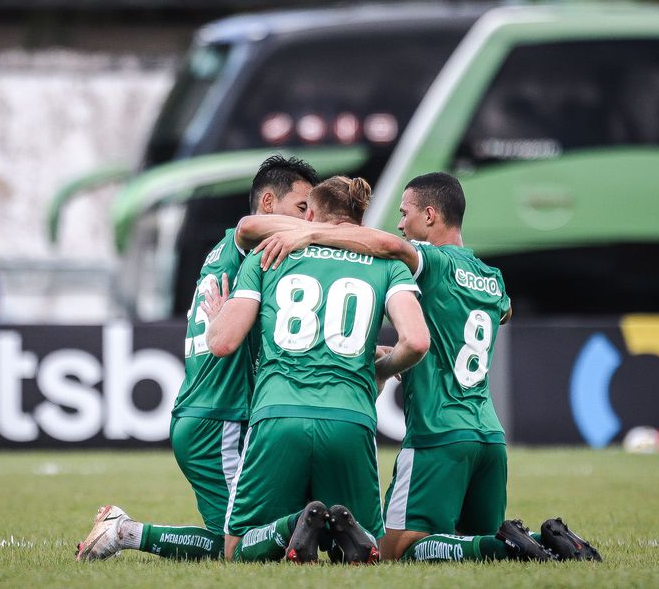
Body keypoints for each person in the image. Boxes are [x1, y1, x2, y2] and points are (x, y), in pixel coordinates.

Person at [247, 172, 601, 562]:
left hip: (438, 433)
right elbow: (497, 316)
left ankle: (509, 544)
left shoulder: (430, 262)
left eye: (405, 212)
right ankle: (546, 539)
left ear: (430, 215)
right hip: (488, 436)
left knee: (393, 548)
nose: (400, 223)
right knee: (469, 539)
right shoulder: (493, 280)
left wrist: (311, 234)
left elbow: (385, 245)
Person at [75, 155, 319, 562]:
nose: (308, 220)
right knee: (236, 548)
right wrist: (328, 232)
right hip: (219, 418)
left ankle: (126, 530)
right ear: (268, 203)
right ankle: (125, 532)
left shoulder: (230, 255)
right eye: (301, 209)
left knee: (240, 537)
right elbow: (249, 226)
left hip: (211, 413)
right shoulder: (243, 243)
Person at [208, 176, 429, 564]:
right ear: (360, 218)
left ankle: (294, 523)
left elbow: (222, 343)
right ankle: (343, 532)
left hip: (279, 414)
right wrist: (377, 372)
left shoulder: (269, 252)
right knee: (368, 548)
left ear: (309, 213)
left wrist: (217, 317)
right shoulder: (387, 264)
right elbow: (416, 342)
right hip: (351, 418)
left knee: (236, 549)